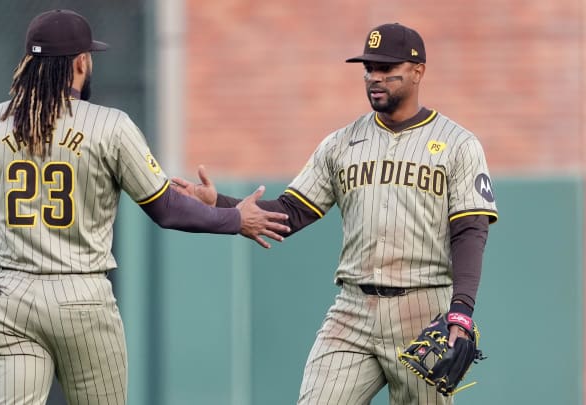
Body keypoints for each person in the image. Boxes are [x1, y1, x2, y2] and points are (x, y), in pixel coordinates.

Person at [0, 9, 289, 405]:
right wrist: (234, 218)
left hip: (10, 299)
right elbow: (166, 209)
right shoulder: (110, 125)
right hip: (83, 295)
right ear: (80, 62)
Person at [172, 23, 498, 405]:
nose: (374, 78)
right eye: (369, 68)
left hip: (423, 307)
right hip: (353, 309)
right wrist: (221, 205)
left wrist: (461, 311)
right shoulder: (341, 143)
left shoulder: (459, 144)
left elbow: (470, 231)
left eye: (386, 68)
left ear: (418, 71)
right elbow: (291, 212)